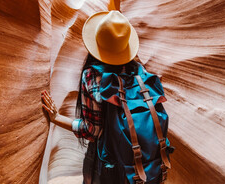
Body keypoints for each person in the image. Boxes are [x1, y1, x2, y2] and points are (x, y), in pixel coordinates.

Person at [41, 11, 169, 183]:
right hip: (148, 163)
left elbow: (92, 131)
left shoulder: (92, 76)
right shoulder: (139, 71)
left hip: (110, 163)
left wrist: (56, 118)